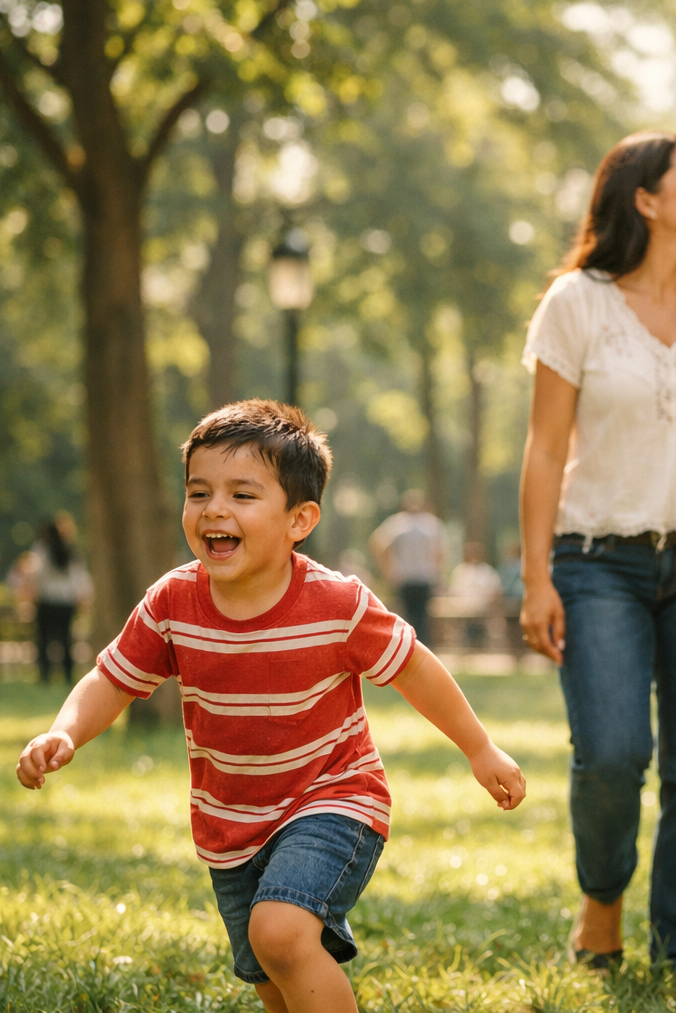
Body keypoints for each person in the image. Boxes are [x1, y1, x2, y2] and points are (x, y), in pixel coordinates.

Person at [16, 400, 525, 1013]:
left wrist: (479, 746)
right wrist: (64, 732)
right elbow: (112, 679)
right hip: (229, 821)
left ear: (299, 519)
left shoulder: (337, 603)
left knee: (280, 933)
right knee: (270, 975)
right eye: (198, 492)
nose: (215, 510)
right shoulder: (173, 601)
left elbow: (415, 667)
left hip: (334, 797)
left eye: (243, 495)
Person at [518, 131, 676, 996]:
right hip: (598, 563)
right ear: (644, 198)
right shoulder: (576, 302)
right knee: (612, 751)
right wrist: (536, 575)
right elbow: (545, 448)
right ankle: (602, 896)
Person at [15, 516, 93, 685]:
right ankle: (67, 676)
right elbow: (80, 579)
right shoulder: (72, 552)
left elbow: (36, 576)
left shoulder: (42, 550)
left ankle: (45, 676)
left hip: (47, 602)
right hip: (66, 603)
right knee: (66, 640)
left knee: (43, 640)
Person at [369, 489, 445, 647]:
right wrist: (437, 571)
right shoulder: (431, 524)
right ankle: (422, 649)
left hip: (404, 577)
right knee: (422, 616)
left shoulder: (397, 523)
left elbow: (377, 543)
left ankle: (408, 648)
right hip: (425, 577)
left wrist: (387, 570)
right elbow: (440, 552)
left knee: (407, 616)